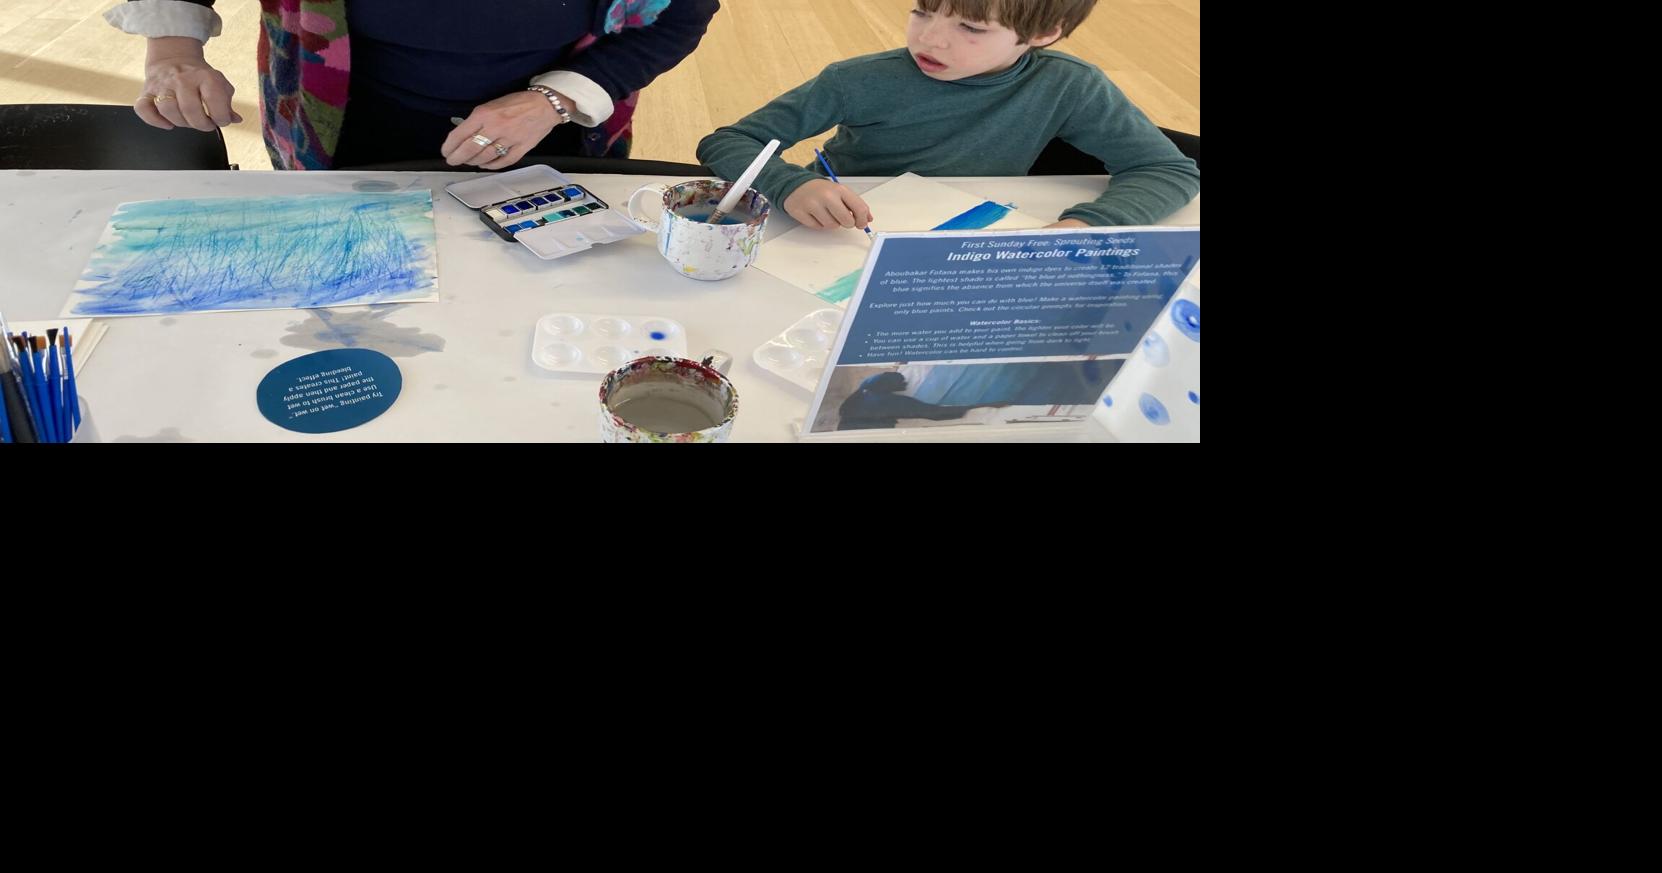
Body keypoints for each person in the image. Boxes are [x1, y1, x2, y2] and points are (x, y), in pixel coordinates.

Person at [697, 0, 1196, 231]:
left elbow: (1167, 169)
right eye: (922, 10)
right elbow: (730, 140)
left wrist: (1089, 224)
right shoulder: (856, 79)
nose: (929, 37)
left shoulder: (1071, 84)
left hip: (967, 236)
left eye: (972, 27)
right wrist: (790, 184)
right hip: (838, 230)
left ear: (1044, 34)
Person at [105, 0, 720, 169]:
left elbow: (679, 17)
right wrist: (172, 50)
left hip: (546, 139)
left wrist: (553, 100)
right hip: (335, 130)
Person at [837, 372, 1006, 430]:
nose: (905, 386)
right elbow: (935, 413)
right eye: (902, 384)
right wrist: (980, 405)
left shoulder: (861, 392)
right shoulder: (892, 401)